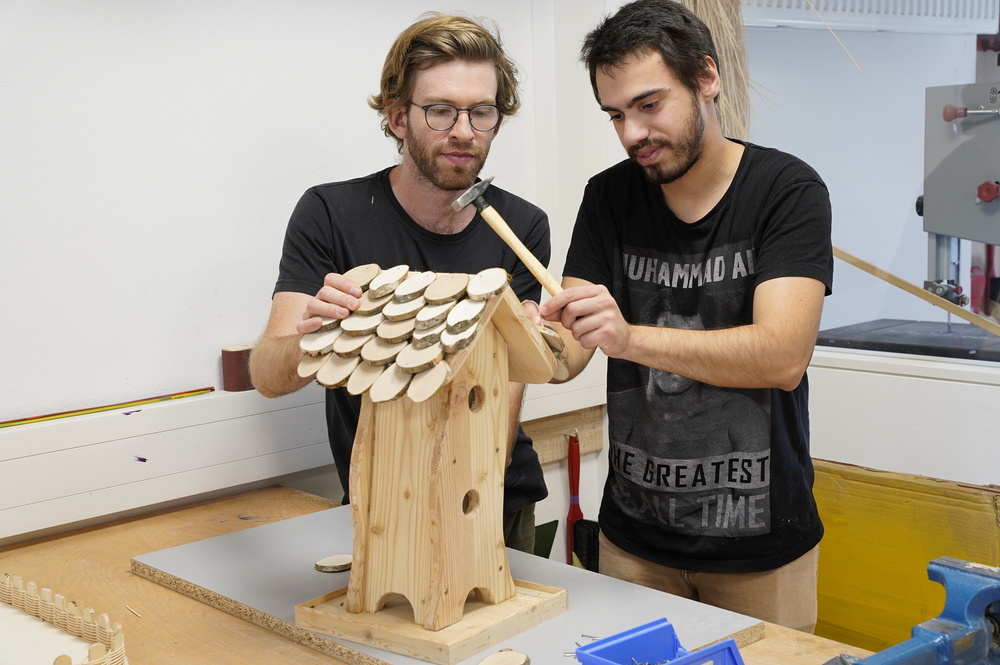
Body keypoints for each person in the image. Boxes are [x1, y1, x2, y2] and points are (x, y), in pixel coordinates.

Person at [535, 0, 833, 631]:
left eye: (649, 105)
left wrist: (629, 336)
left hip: (760, 549)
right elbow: (567, 359)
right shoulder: (609, 196)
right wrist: (498, 325)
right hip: (632, 544)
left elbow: (781, 357)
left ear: (706, 77)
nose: (632, 134)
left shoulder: (786, 190)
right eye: (615, 116)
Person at [249, 13, 550, 554]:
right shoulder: (330, 213)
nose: (464, 131)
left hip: (492, 502)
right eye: (439, 111)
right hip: (378, 502)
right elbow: (268, 374)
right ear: (397, 119)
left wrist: (469, 502)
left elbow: (505, 390)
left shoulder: (523, 227)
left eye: (482, 112)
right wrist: (317, 338)